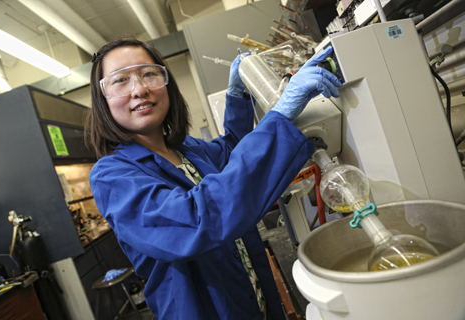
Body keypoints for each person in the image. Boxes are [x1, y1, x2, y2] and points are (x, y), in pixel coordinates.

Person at [85, 37, 341, 320]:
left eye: (149, 74)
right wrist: (279, 116)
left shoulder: (188, 150)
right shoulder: (112, 176)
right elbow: (195, 220)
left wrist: (237, 96)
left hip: (253, 298)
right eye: (120, 80)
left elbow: (234, 154)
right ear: (103, 100)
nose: (140, 89)